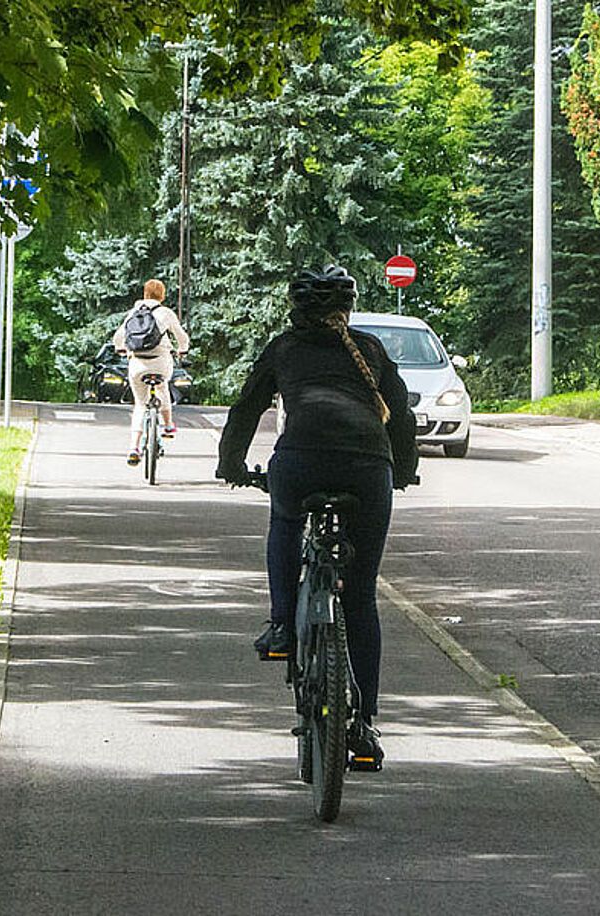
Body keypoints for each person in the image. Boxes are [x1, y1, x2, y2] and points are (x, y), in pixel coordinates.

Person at [215, 265, 418, 770]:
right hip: (368, 469)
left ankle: (282, 626)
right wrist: (403, 471)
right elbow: (401, 415)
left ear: (295, 310)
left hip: (300, 463)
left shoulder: (284, 348)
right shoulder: (369, 349)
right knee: (361, 595)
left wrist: (231, 465)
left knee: (285, 525)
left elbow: (246, 409)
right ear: (347, 311)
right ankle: (364, 724)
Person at [112, 279, 190, 466]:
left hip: (138, 364)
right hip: (161, 362)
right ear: (162, 295)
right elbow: (182, 338)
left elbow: (118, 338)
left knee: (140, 404)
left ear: (145, 293)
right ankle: (168, 426)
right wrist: (182, 350)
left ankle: (134, 448)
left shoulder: (134, 313)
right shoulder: (166, 313)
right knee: (162, 388)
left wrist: (121, 349)